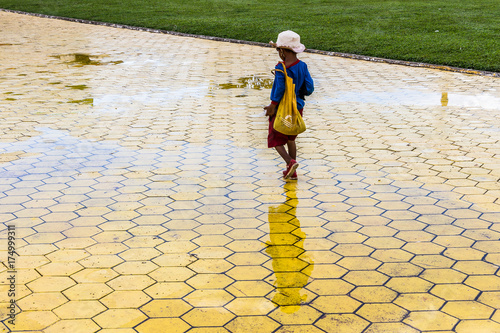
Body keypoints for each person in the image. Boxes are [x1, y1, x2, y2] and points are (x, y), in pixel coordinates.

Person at [264, 30, 314, 180]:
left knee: (274, 138)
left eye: (278, 50)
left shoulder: (281, 68)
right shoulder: (303, 66)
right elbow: (309, 87)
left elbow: (279, 89)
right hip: (297, 107)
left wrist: (273, 105)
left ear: (283, 52)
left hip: (282, 108)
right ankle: (292, 171)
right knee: (291, 139)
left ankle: (289, 162)